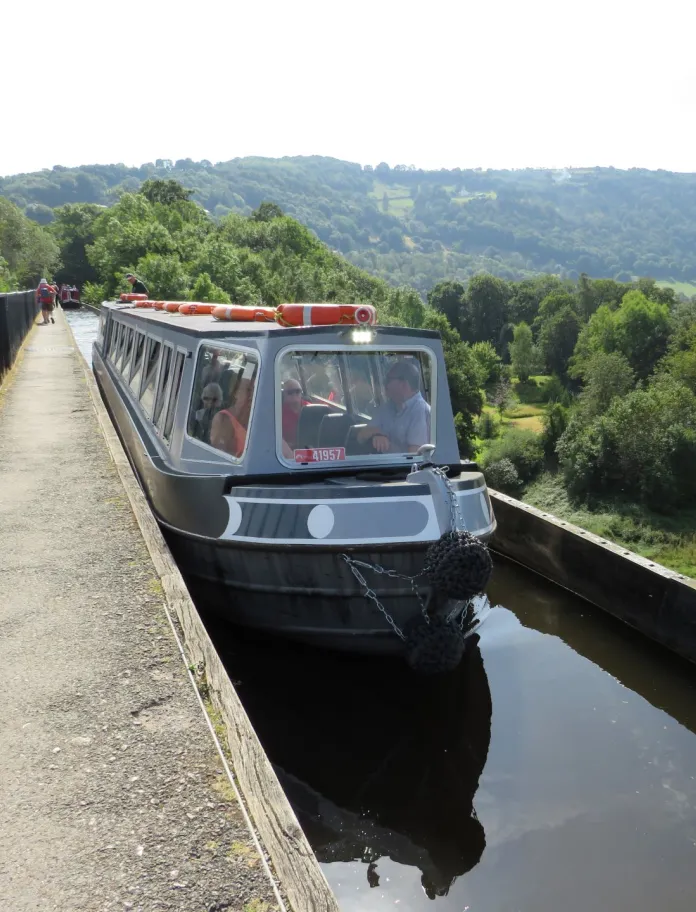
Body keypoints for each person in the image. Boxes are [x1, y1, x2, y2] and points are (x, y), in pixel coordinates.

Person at [357, 359, 430, 454]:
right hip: (382, 464)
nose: (384, 384)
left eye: (388, 380)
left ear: (404, 384)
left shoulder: (420, 410)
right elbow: (360, 437)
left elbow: (415, 455)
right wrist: (377, 433)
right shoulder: (387, 407)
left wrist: (388, 445)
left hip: (404, 468)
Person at [210, 377, 254, 458]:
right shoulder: (223, 418)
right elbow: (222, 457)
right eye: (248, 390)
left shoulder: (254, 421)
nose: (251, 396)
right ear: (236, 393)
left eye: (255, 391)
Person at [281, 378, 304, 458]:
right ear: (284, 394)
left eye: (297, 391)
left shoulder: (311, 408)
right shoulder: (278, 414)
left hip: (313, 451)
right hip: (289, 454)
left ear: (301, 393)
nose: (294, 395)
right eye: (290, 392)